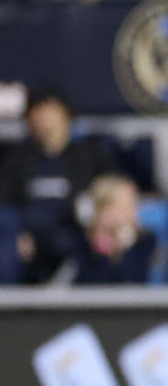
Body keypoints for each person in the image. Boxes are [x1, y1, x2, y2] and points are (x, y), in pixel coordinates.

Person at [0, 91, 114, 283]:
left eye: (52, 115)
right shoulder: (17, 159)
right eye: (40, 115)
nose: (47, 122)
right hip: (27, 236)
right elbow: (6, 202)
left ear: (66, 117)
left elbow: (110, 189)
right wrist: (16, 234)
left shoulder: (89, 156)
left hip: (74, 232)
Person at [64, 173, 157, 285]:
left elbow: (135, 281)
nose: (130, 214)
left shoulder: (145, 240)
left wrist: (124, 246)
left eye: (132, 206)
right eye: (122, 208)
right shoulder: (81, 242)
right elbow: (93, 281)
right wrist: (102, 240)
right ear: (102, 210)